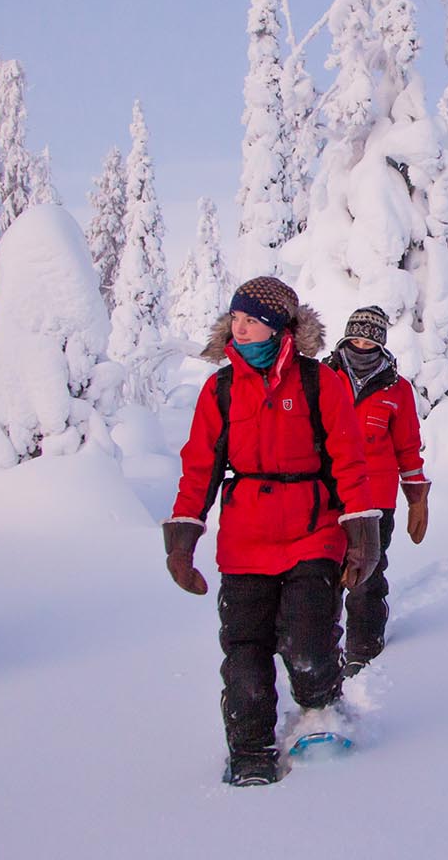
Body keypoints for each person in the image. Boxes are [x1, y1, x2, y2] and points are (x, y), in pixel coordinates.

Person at [161, 277, 383, 788]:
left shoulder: (317, 383)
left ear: (281, 327)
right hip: (244, 544)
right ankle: (250, 748)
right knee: (244, 654)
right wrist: (182, 541)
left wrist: (362, 537)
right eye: (236, 319)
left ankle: (319, 707)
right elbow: (199, 469)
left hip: (312, 533)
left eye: (253, 320)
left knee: (307, 643)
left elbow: (349, 463)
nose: (240, 328)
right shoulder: (219, 389)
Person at [323, 305, 429, 676]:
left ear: (381, 344)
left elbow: (408, 448)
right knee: (323, 574)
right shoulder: (322, 377)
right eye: (355, 338)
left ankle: (363, 646)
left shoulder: (396, 389)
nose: (361, 345)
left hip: (374, 502)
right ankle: (323, 647)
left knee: (366, 576)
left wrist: (417, 497)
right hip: (328, 495)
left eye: (369, 340)